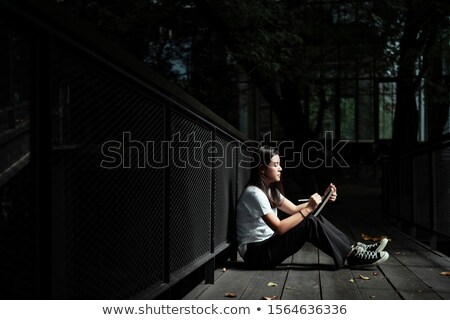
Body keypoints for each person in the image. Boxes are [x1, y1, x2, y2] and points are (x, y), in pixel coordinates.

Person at [236, 145, 389, 269]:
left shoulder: (269, 190)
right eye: (275, 165)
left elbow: (295, 210)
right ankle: (352, 256)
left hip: (267, 245)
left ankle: (354, 249)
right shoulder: (254, 194)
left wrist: (323, 199)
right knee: (309, 221)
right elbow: (279, 228)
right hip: (256, 254)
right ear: (262, 168)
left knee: (312, 217)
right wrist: (308, 208)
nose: (280, 169)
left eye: (279, 165)